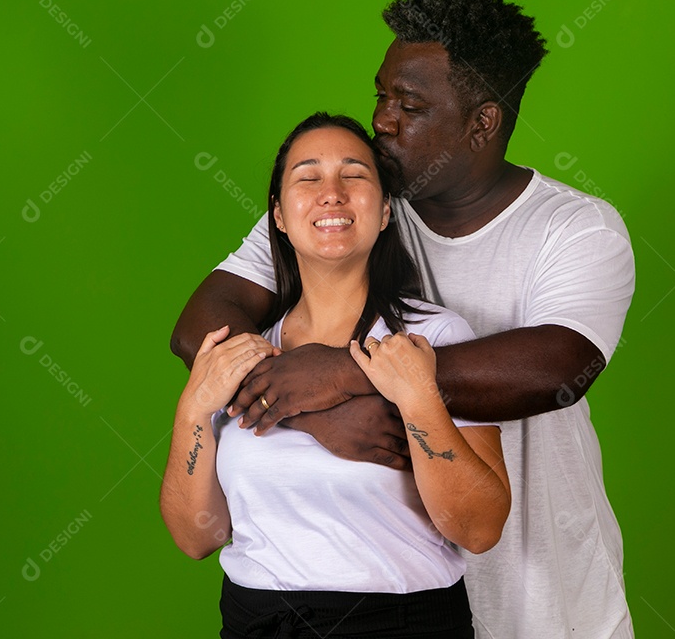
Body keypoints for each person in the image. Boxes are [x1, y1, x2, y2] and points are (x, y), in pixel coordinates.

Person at [171, 0, 637, 638]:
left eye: (410, 104)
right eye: (381, 96)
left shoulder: (575, 229)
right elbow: (203, 325)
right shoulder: (352, 209)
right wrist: (307, 412)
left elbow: (557, 366)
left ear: (482, 122)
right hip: (394, 594)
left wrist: (345, 379)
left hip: (541, 591)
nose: (383, 120)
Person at [160, 113, 511, 638]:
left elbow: (479, 529)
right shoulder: (241, 354)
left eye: (354, 175)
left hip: (400, 626)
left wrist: (417, 401)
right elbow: (196, 538)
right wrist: (191, 409)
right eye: (307, 176)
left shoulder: (432, 338)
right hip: (256, 623)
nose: (332, 193)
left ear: (387, 211)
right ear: (277, 215)